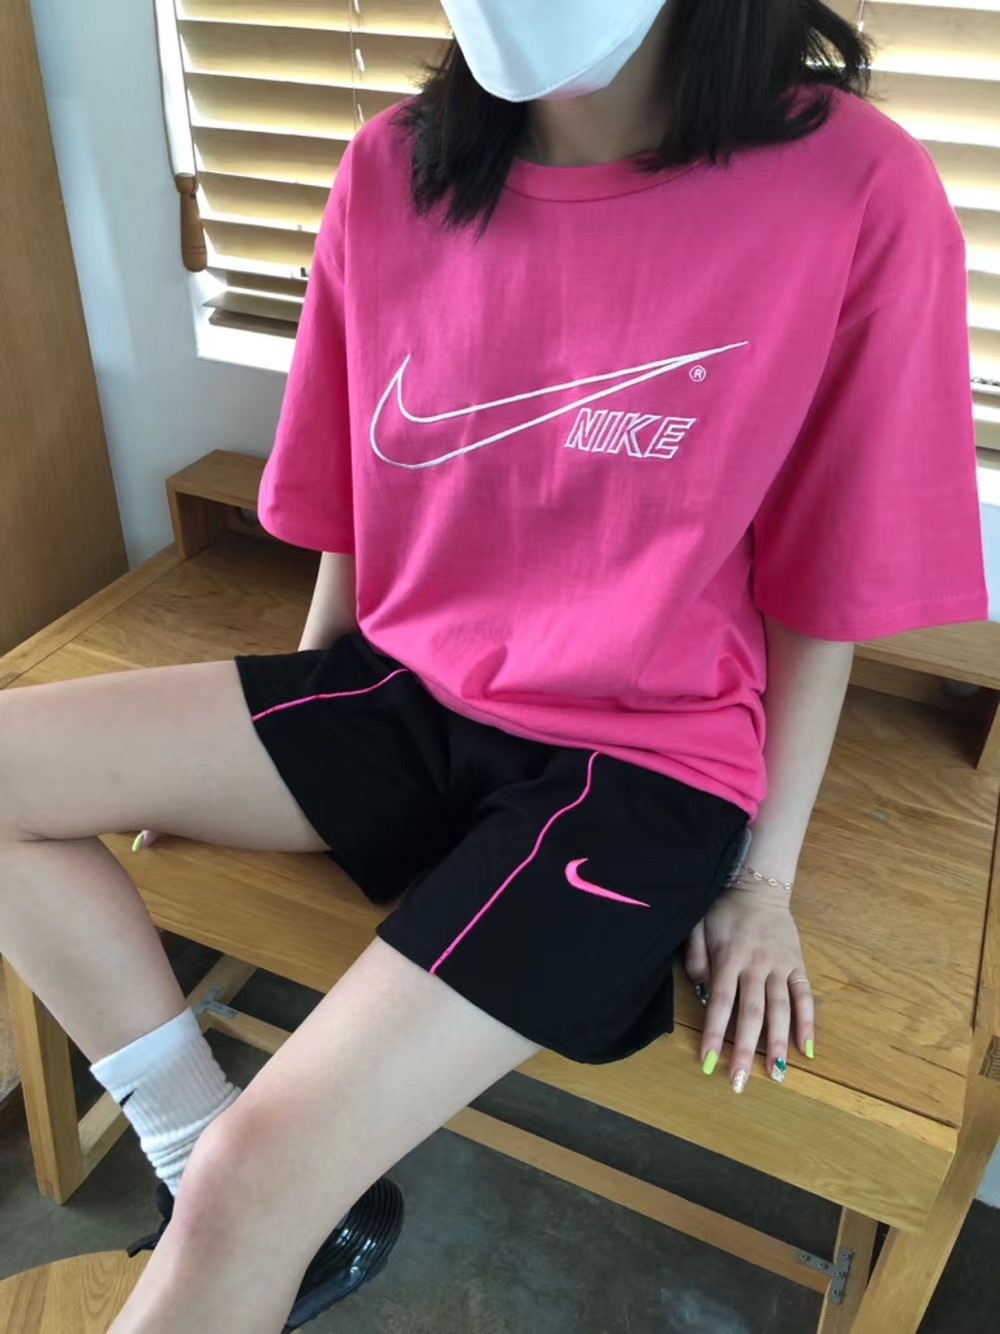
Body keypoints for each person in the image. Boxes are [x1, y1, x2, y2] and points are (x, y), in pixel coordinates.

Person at [0, 1, 988, 1330]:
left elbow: (833, 578)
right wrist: (269, 750)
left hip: (642, 766)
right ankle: (189, 1138)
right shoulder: (393, 167)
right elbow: (357, 494)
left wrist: (764, 881)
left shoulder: (856, 184)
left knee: (250, 1190)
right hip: (410, 695)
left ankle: (228, 1189)